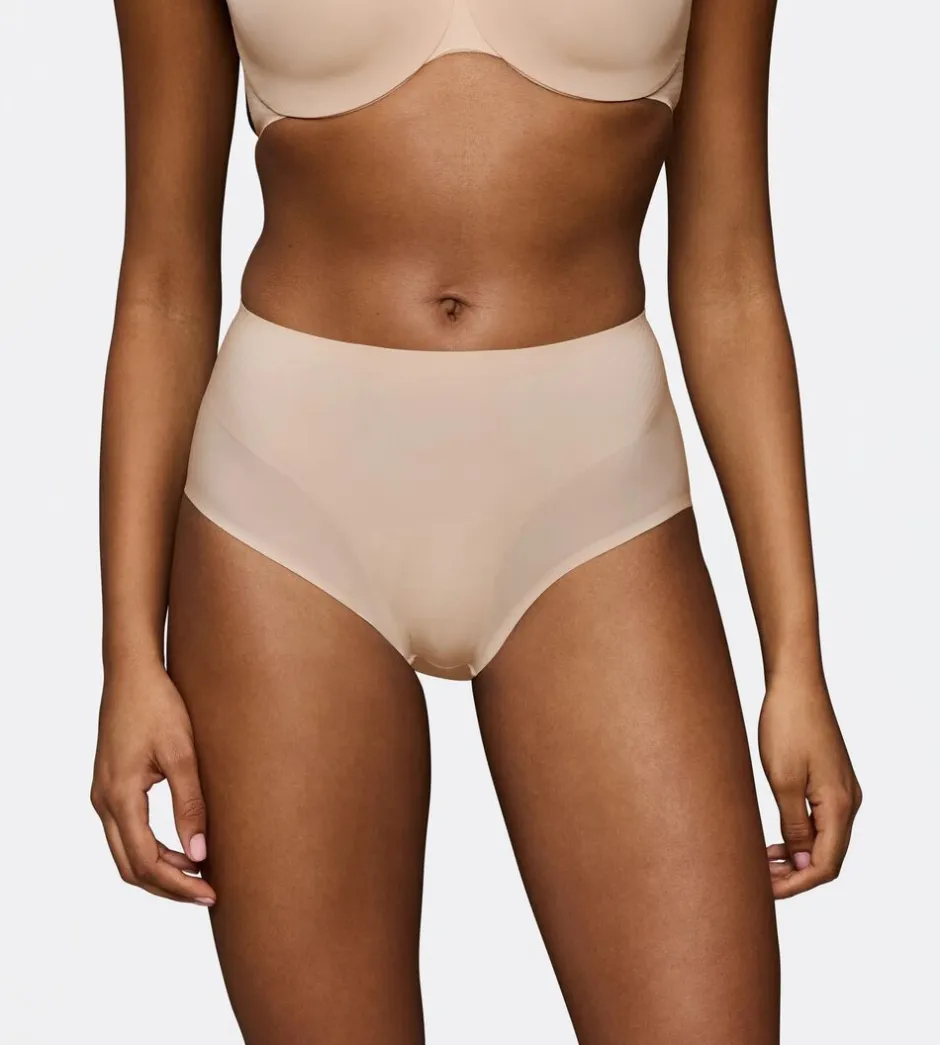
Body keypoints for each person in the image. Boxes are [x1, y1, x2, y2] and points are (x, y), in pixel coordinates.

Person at [90, 0, 862, 1041]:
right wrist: (127, 657)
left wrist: (796, 661)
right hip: (285, 498)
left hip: (593, 489)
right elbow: (162, 285)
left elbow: (728, 277)